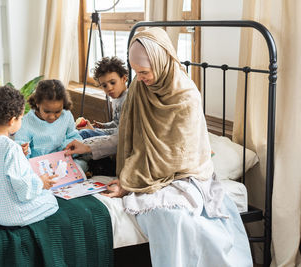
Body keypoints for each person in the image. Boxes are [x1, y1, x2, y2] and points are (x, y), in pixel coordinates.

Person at [66, 28, 253, 267]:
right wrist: (89, 147)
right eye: (136, 72)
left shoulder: (186, 97)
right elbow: (126, 135)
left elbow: (178, 155)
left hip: (184, 173)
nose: (140, 77)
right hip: (149, 169)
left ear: (161, 61)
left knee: (175, 217)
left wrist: (129, 182)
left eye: (144, 71)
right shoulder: (139, 89)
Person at [0, 85, 58, 227]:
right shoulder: (11, 149)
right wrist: (41, 183)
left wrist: (19, 154)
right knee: (51, 201)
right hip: (13, 215)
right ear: (12, 120)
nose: (21, 121)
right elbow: (25, 190)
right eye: (21, 118)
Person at [14, 79, 87, 171]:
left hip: (61, 160)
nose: (52, 117)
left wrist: (67, 147)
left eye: (57, 111)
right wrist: (24, 151)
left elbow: (74, 136)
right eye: (47, 111)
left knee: (82, 165)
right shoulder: (26, 121)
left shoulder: (66, 115)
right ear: (37, 103)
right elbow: (21, 147)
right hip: (37, 165)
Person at [77, 57, 128, 139]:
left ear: (124, 79)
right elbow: (116, 123)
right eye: (104, 85)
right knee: (77, 133)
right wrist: (103, 126)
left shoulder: (128, 100)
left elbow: (122, 131)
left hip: (121, 138)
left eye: (113, 82)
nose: (109, 88)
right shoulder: (116, 98)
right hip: (113, 134)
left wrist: (95, 131)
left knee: (84, 133)